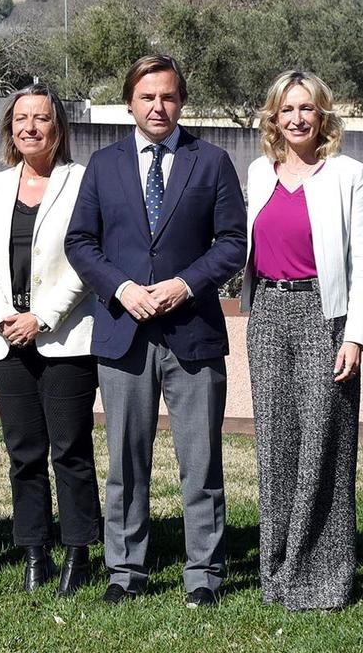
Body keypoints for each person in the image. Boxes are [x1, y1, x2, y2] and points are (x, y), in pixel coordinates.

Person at [65, 55, 247, 607]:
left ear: (181, 101)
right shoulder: (103, 165)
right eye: (147, 97)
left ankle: (204, 576)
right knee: (125, 461)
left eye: (167, 96)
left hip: (192, 334)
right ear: (129, 103)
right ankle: (125, 571)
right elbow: (80, 243)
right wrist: (120, 289)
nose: (158, 106)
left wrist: (183, 286)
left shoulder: (211, 161)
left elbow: (233, 244)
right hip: (123, 334)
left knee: (201, 463)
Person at [238, 70, 363, 612]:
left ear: (324, 116)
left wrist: (356, 336)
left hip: (326, 313)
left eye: (307, 109)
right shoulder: (257, 173)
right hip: (269, 311)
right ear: (274, 118)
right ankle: (277, 573)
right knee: (275, 444)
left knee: (326, 445)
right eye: (286, 109)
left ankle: (323, 577)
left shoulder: (347, 173)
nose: (297, 118)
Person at [0, 83, 98, 596]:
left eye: (41, 118)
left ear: (57, 127)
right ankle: (35, 552)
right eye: (21, 118)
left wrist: (41, 317)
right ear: (9, 128)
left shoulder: (81, 182)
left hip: (65, 338)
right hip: (6, 342)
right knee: (24, 452)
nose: (30, 127)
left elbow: (86, 258)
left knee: (70, 449)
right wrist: (3, 317)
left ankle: (78, 552)